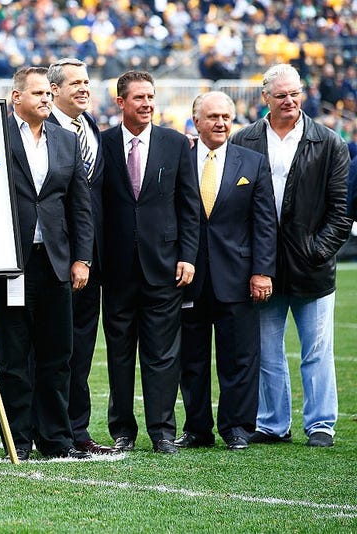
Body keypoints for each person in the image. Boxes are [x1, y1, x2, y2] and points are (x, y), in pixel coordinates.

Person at [230, 64, 352, 448]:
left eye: (294, 93)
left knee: (317, 351)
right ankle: (272, 423)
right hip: (261, 266)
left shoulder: (329, 141)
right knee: (267, 351)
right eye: (280, 95)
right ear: (265, 98)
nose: (289, 101)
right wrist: (251, 259)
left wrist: (317, 251)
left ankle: (320, 425)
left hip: (312, 266)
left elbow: (340, 210)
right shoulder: (243, 140)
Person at [0, 66, 94, 461]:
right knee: (14, 356)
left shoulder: (66, 140)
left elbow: (80, 206)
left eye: (48, 94)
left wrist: (82, 259)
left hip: (55, 263)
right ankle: (18, 439)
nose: (46, 99)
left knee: (57, 354)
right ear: (16, 98)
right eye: (37, 94)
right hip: (10, 263)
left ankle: (56, 438)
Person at [100, 70, 200, 454]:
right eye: (138, 97)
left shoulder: (176, 143)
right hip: (117, 269)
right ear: (121, 102)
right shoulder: (102, 142)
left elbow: (189, 206)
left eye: (150, 97)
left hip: (164, 269)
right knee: (120, 354)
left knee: (163, 354)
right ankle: (122, 430)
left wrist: (188, 256)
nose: (146, 104)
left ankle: (162, 431)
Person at [176, 91, 277, 451]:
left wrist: (262, 271)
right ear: (196, 120)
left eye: (226, 117)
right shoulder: (180, 158)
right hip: (189, 278)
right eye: (213, 117)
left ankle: (237, 428)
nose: (220, 123)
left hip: (238, 276)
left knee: (240, 358)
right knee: (192, 358)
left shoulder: (252, 162)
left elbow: (264, 223)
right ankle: (197, 429)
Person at [44, 58, 116, 456]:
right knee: (56, 349)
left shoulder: (89, 127)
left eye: (87, 82)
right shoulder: (41, 128)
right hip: (54, 256)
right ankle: (52, 430)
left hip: (90, 258)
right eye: (76, 83)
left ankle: (77, 429)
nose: (85, 89)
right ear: (54, 90)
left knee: (83, 348)